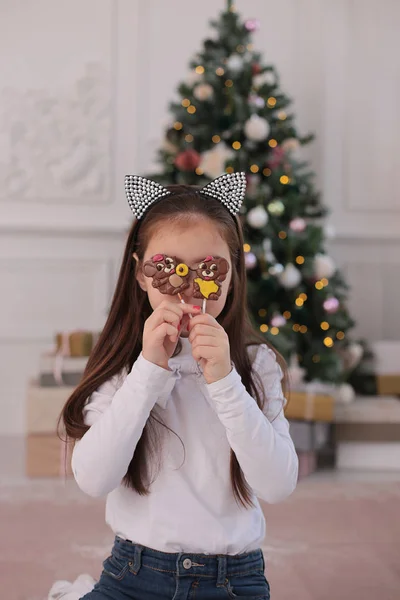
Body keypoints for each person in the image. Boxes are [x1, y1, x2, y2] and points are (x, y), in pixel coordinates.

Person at [52, 173, 298, 600]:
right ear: (142, 275)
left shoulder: (256, 366)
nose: (187, 287)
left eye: (208, 269)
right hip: (132, 576)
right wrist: (148, 370)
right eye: (168, 268)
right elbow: (93, 478)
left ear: (232, 272)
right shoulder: (120, 366)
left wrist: (224, 382)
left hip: (234, 583)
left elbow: (278, 484)